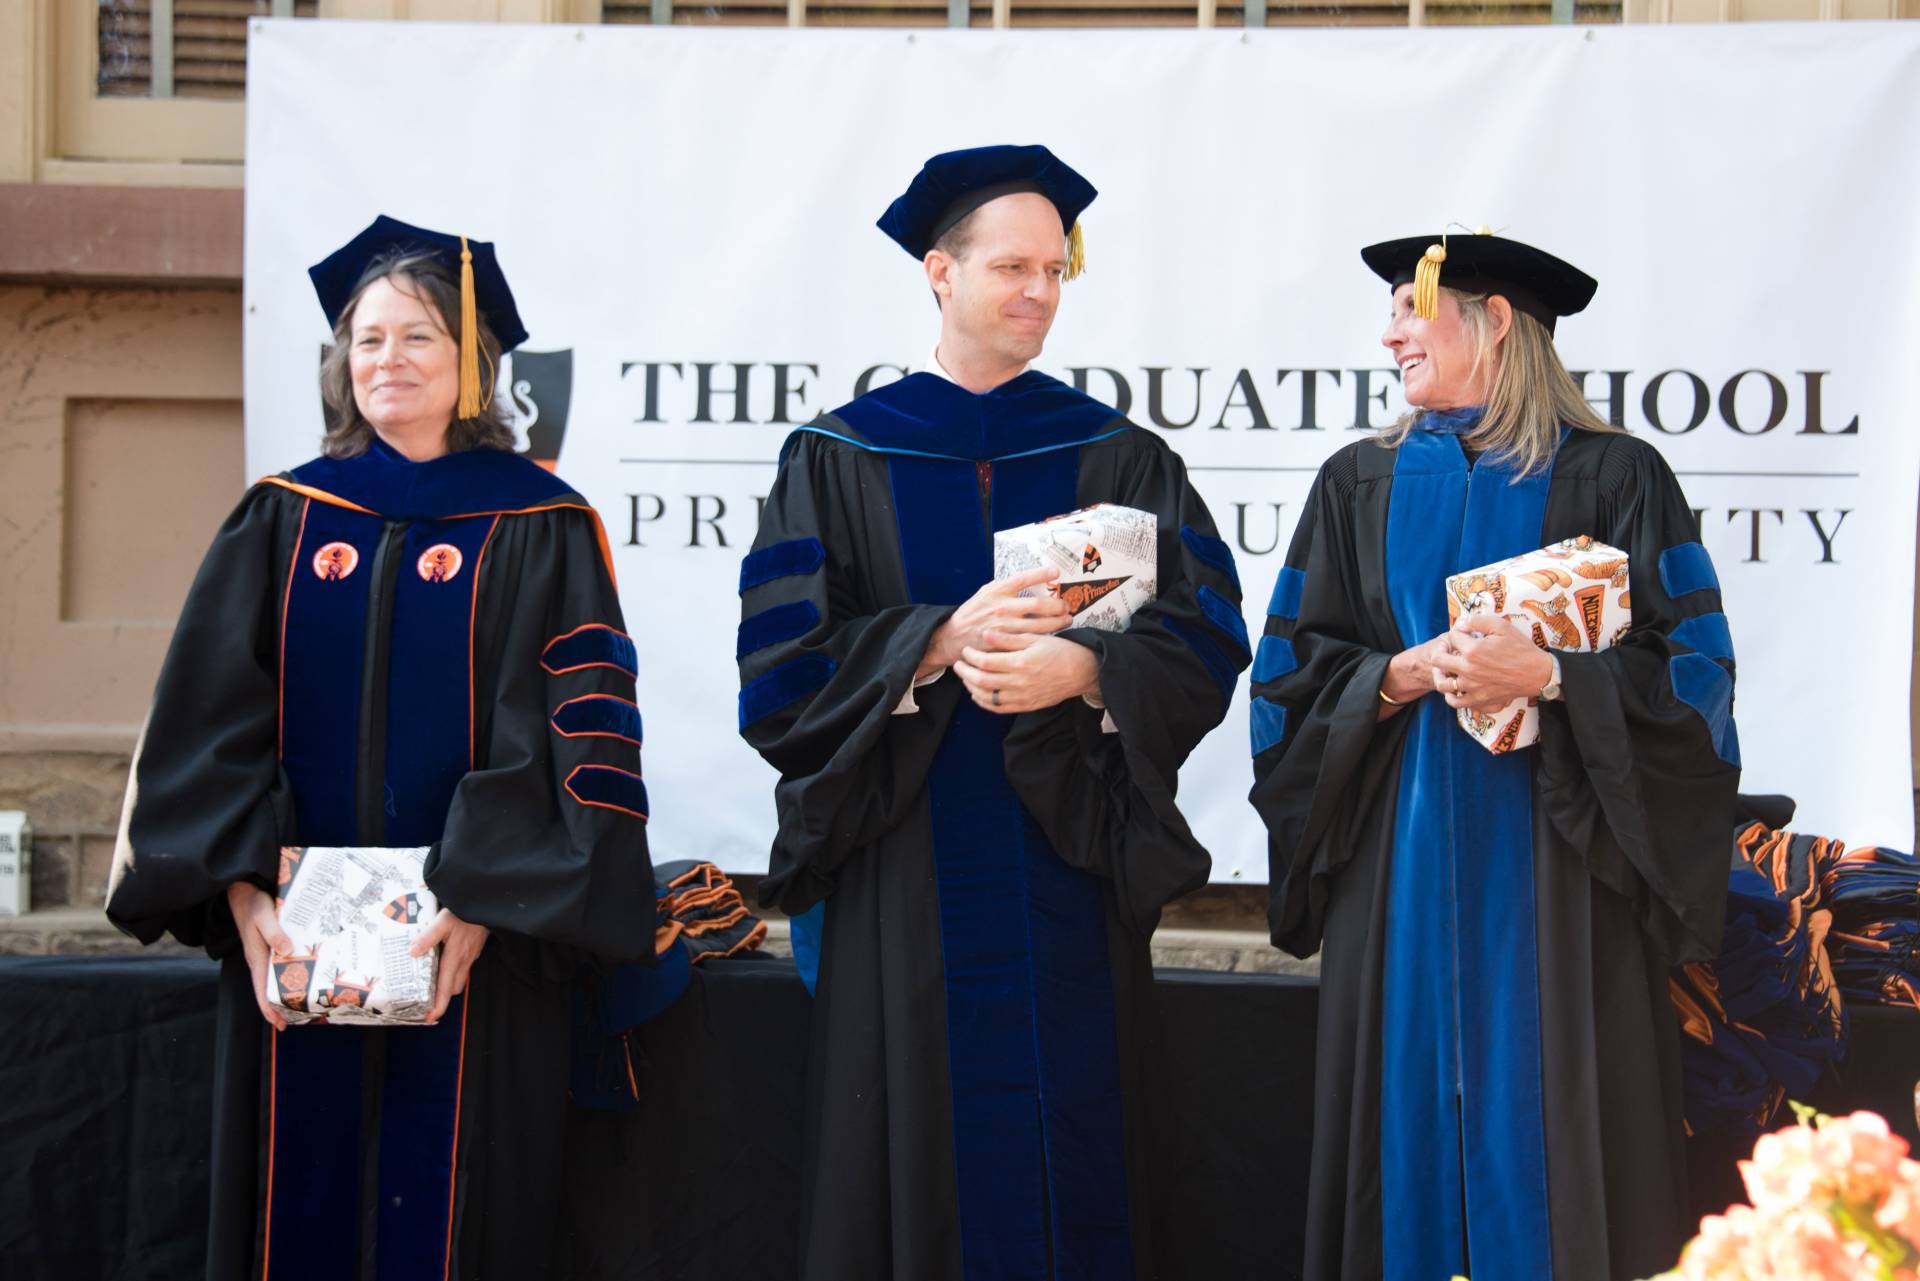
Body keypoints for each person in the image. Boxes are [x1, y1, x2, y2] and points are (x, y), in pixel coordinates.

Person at [105, 215, 659, 1280]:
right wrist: (242, 896)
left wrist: (490, 895)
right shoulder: (282, 517)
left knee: (453, 1214)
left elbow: (574, 731)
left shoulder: (542, 522)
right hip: (292, 954)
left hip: (470, 949)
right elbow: (206, 723)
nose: (386, 361)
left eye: (417, 338)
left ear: (472, 365)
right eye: (366, 340)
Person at [736, 144, 1248, 1280]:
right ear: (938, 272)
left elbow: (1208, 632)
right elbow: (778, 673)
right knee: (909, 1148)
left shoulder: (1115, 456)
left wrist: (1090, 675)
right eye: (1012, 266)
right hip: (902, 866)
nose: (1038, 292)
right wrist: (931, 643)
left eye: (1056, 271)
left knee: (1073, 1137)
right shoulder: (835, 456)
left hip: (1065, 863)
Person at [1249, 230, 1740, 1281]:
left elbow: (1694, 674)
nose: (1388, 335)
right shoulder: (1358, 483)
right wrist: (1402, 673)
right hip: (1401, 881)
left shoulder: (1618, 475)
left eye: (1408, 310)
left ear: (1497, 320)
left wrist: (1556, 680)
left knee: (1556, 1129)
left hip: (1565, 881)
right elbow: (1290, 679)